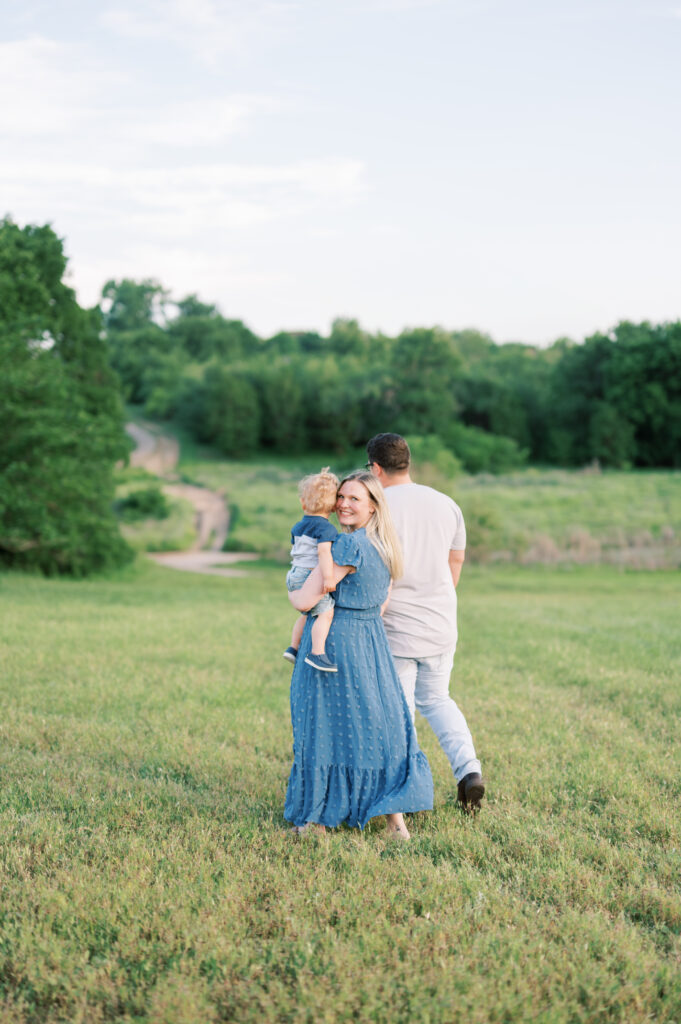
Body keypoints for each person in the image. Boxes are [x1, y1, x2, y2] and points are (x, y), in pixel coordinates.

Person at [284, 470, 433, 839]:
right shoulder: (383, 544)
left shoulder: (347, 546)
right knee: (377, 726)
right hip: (370, 640)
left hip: (338, 641)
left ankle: (316, 821)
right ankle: (394, 822)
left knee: (323, 726)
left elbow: (306, 599)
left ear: (372, 506)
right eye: (342, 497)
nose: (345, 504)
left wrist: (292, 591)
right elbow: (380, 605)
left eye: (355, 499)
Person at [366, 433, 485, 812]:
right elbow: (456, 561)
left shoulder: (376, 505)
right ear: (407, 462)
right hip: (440, 624)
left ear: (375, 467)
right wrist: (438, 598)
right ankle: (469, 771)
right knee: (438, 699)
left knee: (400, 711)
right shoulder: (446, 504)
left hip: (396, 629)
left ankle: (409, 791)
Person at [283, 467, 339, 672]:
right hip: (308, 575)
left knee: (307, 614)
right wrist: (328, 578)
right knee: (326, 613)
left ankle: (293, 647)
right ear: (333, 507)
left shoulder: (298, 526)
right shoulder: (326, 529)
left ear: (303, 502)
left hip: (293, 574)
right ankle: (317, 653)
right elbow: (324, 554)